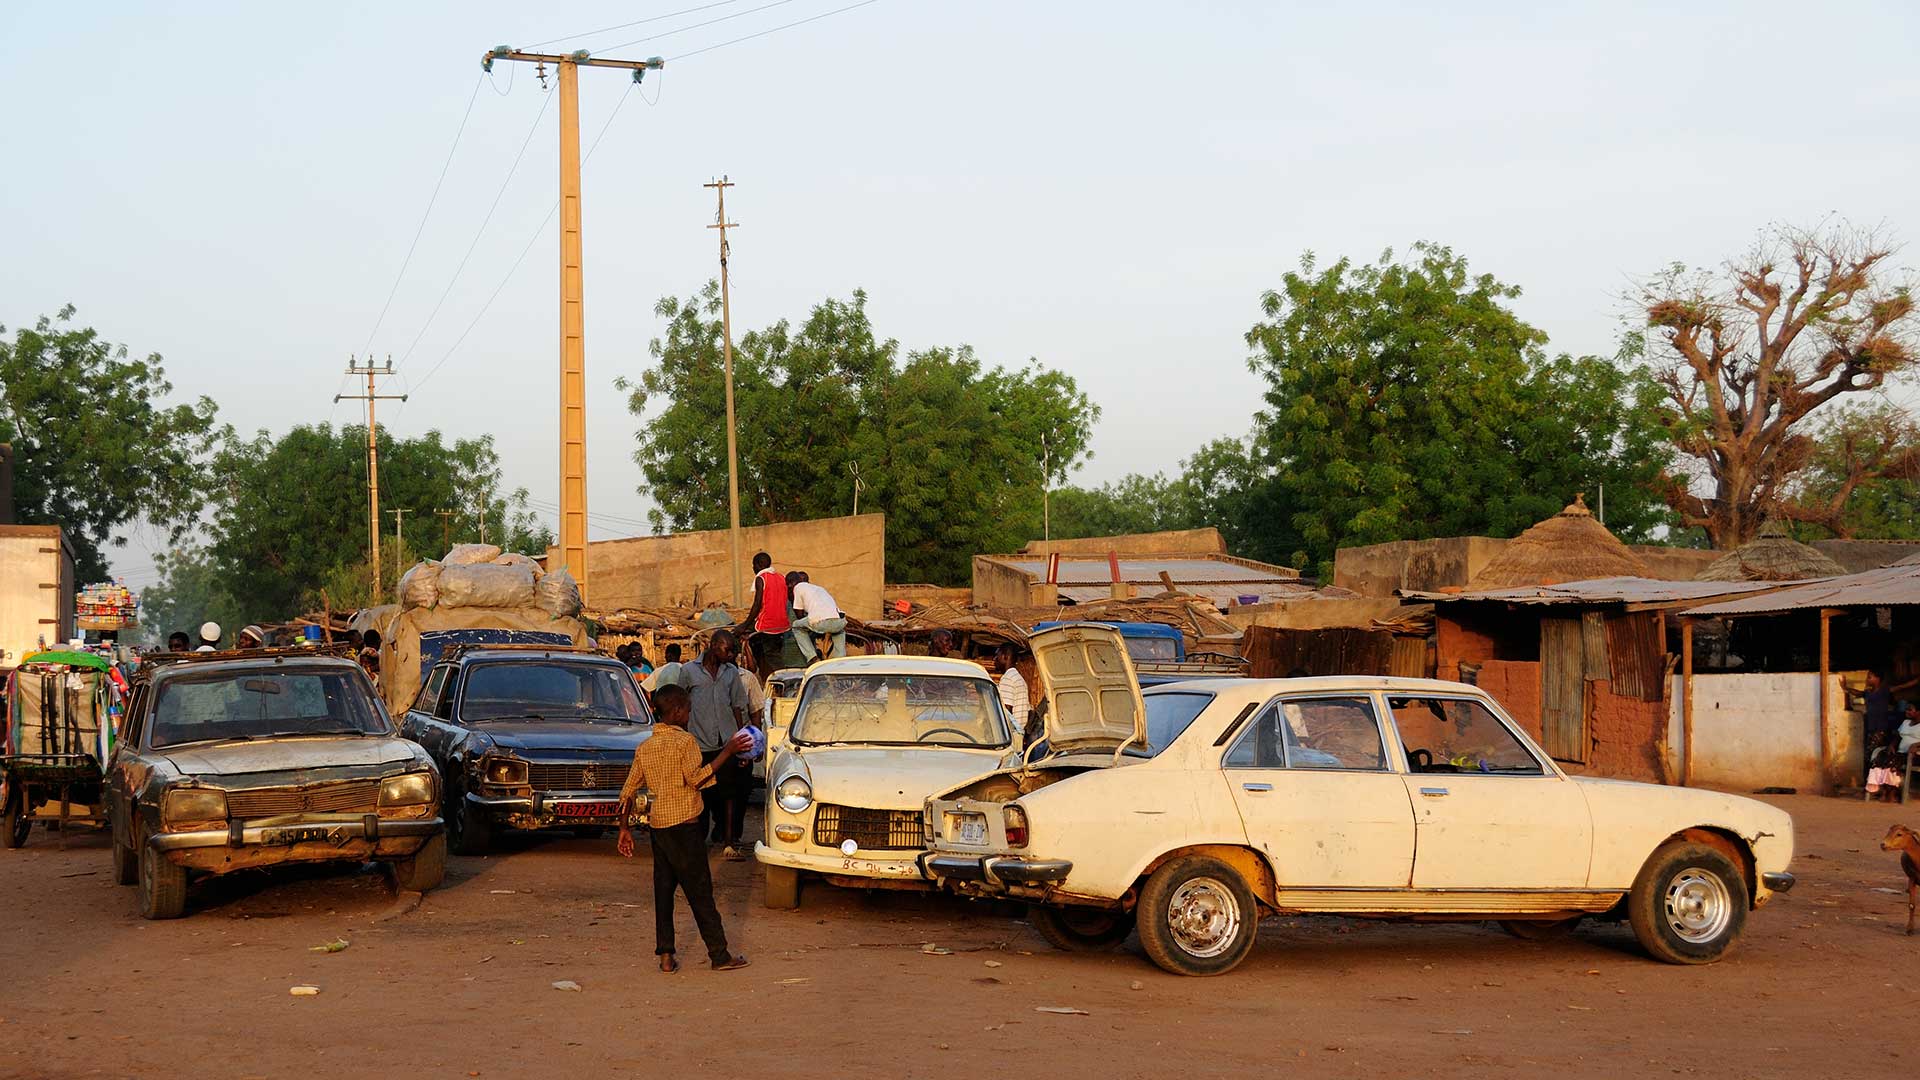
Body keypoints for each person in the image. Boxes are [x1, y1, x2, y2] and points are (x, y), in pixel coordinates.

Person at [615, 683, 754, 974]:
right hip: (686, 830)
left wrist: (624, 829)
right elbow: (697, 779)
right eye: (688, 710)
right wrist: (728, 751)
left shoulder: (645, 747)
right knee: (700, 893)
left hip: (660, 830)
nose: (690, 716)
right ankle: (719, 955)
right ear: (677, 712)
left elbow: (629, 791)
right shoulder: (685, 742)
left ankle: (666, 955)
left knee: (663, 894)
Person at [679, 629, 751, 859]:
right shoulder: (688, 671)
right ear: (713, 645)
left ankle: (729, 843)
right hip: (698, 743)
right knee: (698, 794)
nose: (731, 655)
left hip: (726, 745)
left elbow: (737, 706)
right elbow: (679, 705)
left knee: (728, 794)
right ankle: (696, 842)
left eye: (732, 651)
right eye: (727, 650)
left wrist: (741, 742)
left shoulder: (731, 673)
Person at [736, 552, 791, 671]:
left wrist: (744, 625)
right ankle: (762, 670)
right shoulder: (782, 577)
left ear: (759, 564)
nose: (753, 568)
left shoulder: (761, 578)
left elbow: (757, 605)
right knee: (771, 652)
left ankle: (745, 667)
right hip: (782, 624)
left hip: (766, 624)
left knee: (736, 634)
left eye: (754, 565)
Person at [787, 571, 847, 662]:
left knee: (796, 626)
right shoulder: (819, 588)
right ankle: (839, 659)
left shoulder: (797, 588)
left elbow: (799, 616)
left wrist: (791, 597)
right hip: (839, 620)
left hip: (821, 622)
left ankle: (812, 657)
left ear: (790, 584)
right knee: (838, 631)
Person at [995, 643, 1031, 739]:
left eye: (997, 656)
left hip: (1011, 734)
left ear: (1005, 657)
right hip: (1019, 732)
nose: (994, 659)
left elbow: (1006, 711)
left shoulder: (1008, 678)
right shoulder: (1017, 677)